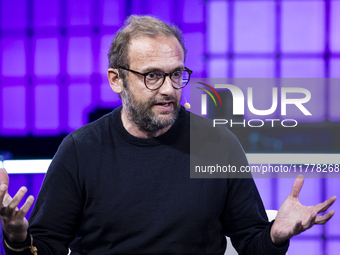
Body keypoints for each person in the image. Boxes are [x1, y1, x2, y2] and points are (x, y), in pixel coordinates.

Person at [0, 15, 336, 255]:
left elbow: (252, 243)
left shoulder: (217, 143)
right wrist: (16, 237)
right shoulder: (81, 150)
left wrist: (276, 237)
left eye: (177, 75)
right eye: (152, 76)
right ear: (116, 79)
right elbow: (44, 249)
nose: (168, 90)